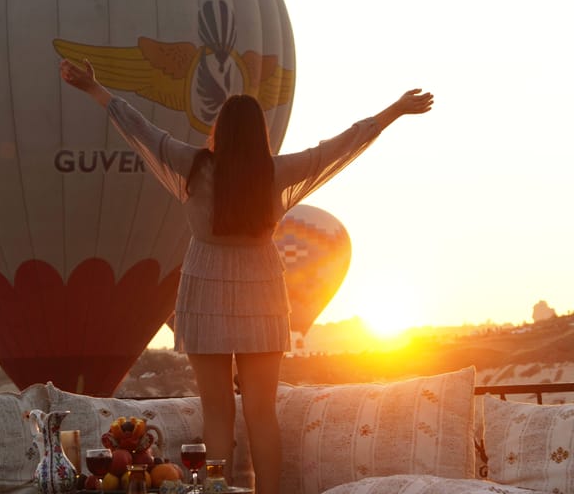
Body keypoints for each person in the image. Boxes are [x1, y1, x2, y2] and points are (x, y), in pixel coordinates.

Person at [58, 57, 433, 494]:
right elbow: (344, 144)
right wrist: (396, 110)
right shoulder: (275, 172)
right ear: (260, 133)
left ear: (219, 130)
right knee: (262, 413)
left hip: (205, 293)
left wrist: (94, 88)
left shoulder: (194, 166)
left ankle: (219, 493)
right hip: (262, 294)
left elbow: (140, 128)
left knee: (217, 414)